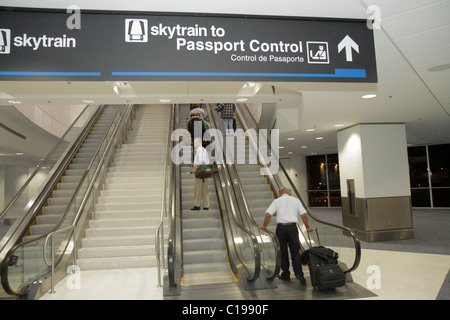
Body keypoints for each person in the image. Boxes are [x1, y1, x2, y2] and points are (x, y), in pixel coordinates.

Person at [258, 187, 314, 285]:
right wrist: (307, 227)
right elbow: (304, 215)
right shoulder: (296, 201)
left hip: (281, 229)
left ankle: (286, 274)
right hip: (292, 228)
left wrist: (264, 225)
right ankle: (299, 275)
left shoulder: (277, 201)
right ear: (287, 193)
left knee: (283, 251)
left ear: (280, 194)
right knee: (295, 251)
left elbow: (268, 215)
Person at [191, 137, 210, 211]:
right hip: (204, 172)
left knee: (198, 189)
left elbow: (202, 161)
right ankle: (206, 205)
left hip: (199, 172)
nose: (194, 144)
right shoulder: (203, 150)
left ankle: (197, 205)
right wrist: (194, 164)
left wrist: (196, 168)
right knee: (204, 189)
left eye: (196, 142)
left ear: (200, 143)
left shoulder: (199, 150)